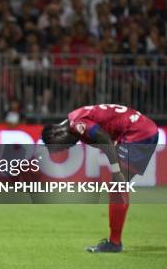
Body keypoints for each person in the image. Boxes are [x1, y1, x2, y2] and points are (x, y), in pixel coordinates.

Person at [42, 104, 159, 253]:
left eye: (61, 146)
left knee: (117, 187)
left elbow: (105, 140)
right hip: (142, 129)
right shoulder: (75, 120)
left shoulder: (76, 123)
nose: (67, 148)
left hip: (137, 132)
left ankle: (114, 243)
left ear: (56, 134)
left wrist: (116, 170)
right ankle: (114, 242)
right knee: (117, 188)